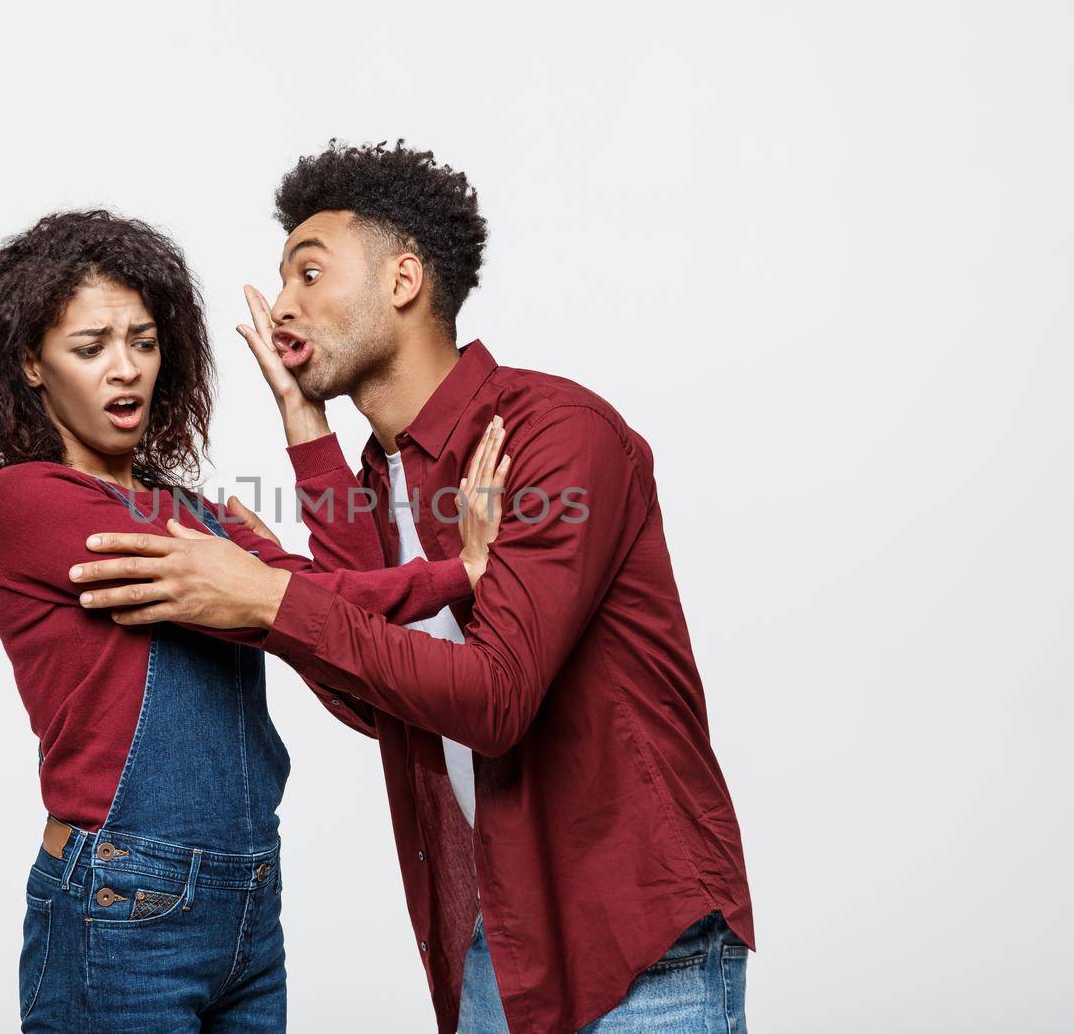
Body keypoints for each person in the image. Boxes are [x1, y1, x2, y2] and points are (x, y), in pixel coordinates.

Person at [69, 143, 755, 1034]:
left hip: (639, 946)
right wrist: (304, 439)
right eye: (283, 280)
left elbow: (494, 700)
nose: (283, 305)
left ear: (403, 279)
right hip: (499, 948)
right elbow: (384, 697)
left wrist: (272, 598)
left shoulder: (552, 435)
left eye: (311, 272)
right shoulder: (377, 475)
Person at [0, 208, 509, 1032]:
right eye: (90, 347)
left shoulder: (194, 512)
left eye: (142, 340)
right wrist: (460, 572)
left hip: (246, 894)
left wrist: (304, 446)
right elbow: (283, 600)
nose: (124, 368)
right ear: (32, 364)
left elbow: (310, 593)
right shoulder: (28, 502)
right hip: (123, 894)